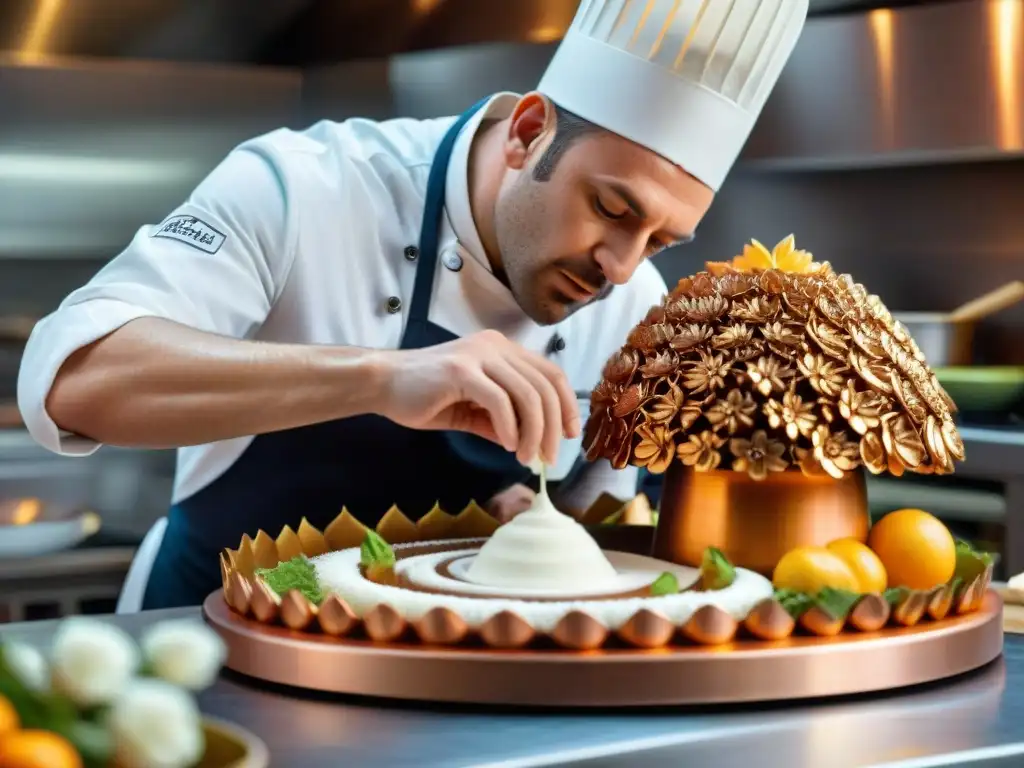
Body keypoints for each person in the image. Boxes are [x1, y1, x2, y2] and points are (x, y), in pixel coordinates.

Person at [16, 0, 809, 609]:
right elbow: (72, 382)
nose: (621, 267)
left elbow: (601, 501)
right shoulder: (306, 188)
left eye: (661, 241)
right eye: (610, 208)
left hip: (435, 683)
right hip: (206, 645)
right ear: (529, 131)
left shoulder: (635, 302)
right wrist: (381, 377)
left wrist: (545, 523)